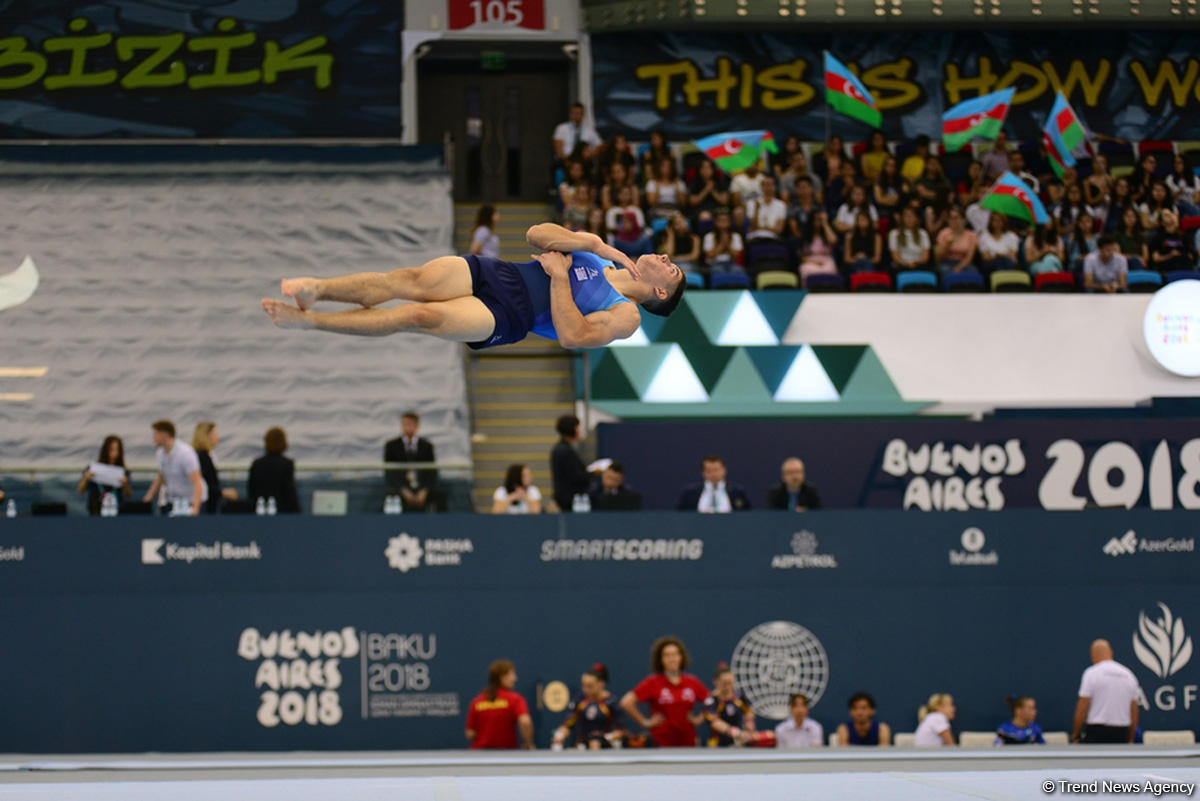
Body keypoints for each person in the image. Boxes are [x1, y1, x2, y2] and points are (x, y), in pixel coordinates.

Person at [263, 223, 685, 351]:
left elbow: (575, 336)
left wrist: (559, 278)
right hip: (501, 273)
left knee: (418, 315)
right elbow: (537, 234)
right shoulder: (598, 254)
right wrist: (590, 243)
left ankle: (312, 321)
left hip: (510, 316)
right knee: (410, 281)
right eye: (669, 258)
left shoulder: (626, 314)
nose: (666, 259)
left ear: (661, 294)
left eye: (673, 270)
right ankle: (318, 289)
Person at [620, 636, 709, 747]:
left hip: (688, 741)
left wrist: (698, 719)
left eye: (675, 654)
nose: (672, 659)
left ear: (681, 657)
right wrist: (645, 722)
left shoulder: (691, 681)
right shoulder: (653, 682)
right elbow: (626, 702)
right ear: (661, 659)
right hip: (660, 742)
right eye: (667, 655)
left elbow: (712, 702)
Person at [1072, 639, 1140, 744]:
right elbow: (1134, 711)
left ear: (1092, 655)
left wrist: (1076, 735)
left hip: (1097, 732)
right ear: (1111, 652)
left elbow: (1083, 707)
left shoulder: (1091, 674)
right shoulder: (1129, 675)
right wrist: (1130, 738)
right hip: (1122, 732)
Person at [466, 659, 534, 749]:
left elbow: (470, 733)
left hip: (478, 756)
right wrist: (528, 743)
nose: (515, 678)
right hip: (506, 756)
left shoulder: (477, 701)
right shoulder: (515, 699)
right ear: (502, 677)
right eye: (512, 674)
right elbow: (525, 722)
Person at [553, 664, 624, 750]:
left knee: (595, 742)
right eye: (583, 685)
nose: (585, 689)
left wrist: (607, 737)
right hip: (582, 745)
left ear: (601, 684)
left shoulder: (611, 702)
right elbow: (567, 724)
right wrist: (560, 735)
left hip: (605, 746)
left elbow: (621, 731)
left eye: (590, 686)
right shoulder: (579, 700)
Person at [142, 419, 205, 515]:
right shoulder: (160, 453)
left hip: (190, 502)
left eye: (155, 434)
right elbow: (161, 475)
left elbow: (197, 482)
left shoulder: (185, 453)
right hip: (173, 502)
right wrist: (149, 495)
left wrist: (195, 509)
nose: (153, 438)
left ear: (164, 435)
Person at [384, 411, 439, 512]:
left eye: (411, 424)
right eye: (405, 424)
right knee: (391, 495)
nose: (408, 427)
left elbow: (432, 472)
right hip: (400, 488)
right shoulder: (391, 446)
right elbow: (390, 472)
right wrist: (404, 490)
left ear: (417, 426)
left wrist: (424, 491)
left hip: (421, 488)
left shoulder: (426, 446)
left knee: (438, 494)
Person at [247, 426, 300, 513]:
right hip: (282, 511)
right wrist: (297, 511)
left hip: (260, 510)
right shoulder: (287, 464)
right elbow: (289, 491)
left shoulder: (257, 463)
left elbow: (251, 491)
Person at [77, 435, 132, 516]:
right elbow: (81, 489)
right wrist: (86, 478)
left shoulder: (123, 472)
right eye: (112, 450)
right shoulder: (94, 468)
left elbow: (128, 494)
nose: (115, 453)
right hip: (96, 511)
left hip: (116, 511)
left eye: (117, 450)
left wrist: (125, 484)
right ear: (105, 450)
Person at [676, 455, 750, 512]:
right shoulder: (690, 494)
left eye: (716, 470)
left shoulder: (737, 492)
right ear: (703, 473)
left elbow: (747, 515)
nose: (713, 474)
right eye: (709, 471)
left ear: (724, 470)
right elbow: (680, 515)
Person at [703, 664, 755, 747]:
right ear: (716, 682)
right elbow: (714, 722)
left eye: (730, 683)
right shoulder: (711, 701)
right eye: (724, 683)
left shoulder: (740, 697)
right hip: (717, 745)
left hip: (739, 743)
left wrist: (749, 726)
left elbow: (749, 713)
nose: (727, 687)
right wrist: (737, 733)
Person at [551, 414, 594, 512]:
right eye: (578, 427)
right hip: (571, 501)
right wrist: (593, 473)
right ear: (572, 429)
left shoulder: (562, 449)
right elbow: (575, 476)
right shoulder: (565, 451)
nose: (580, 430)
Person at [192, 421, 237, 514]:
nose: (218, 437)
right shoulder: (202, 457)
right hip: (204, 506)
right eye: (215, 433)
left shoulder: (207, 455)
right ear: (206, 436)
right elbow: (205, 484)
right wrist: (223, 493)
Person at [798, 210, 840, 288]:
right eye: (815, 220)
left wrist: (825, 223)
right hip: (810, 261)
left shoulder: (826, 235)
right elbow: (802, 257)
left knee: (830, 269)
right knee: (805, 269)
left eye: (819, 220)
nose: (817, 223)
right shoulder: (805, 237)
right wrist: (815, 262)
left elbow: (833, 240)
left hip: (826, 260)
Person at [934, 207, 978, 276]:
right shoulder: (944, 233)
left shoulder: (971, 235)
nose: (954, 221)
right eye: (951, 218)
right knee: (945, 272)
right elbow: (938, 257)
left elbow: (969, 257)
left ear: (963, 220)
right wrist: (947, 245)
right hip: (946, 263)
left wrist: (959, 268)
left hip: (964, 263)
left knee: (974, 274)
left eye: (957, 218)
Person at [745, 175, 787, 245]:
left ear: (775, 187)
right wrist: (757, 209)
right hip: (755, 237)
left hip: (774, 238)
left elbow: (779, 230)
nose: (768, 188)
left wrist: (761, 228)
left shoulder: (781, 205)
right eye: (766, 185)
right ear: (761, 187)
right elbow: (753, 226)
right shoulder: (752, 203)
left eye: (771, 185)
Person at [887, 205, 931, 271]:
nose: (909, 219)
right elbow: (895, 257)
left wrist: (915, 263)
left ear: (916, 218)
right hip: (901, 264)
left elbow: (925, 257)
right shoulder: (894, 234)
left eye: (912, 216)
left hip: (919, 264)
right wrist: (906, 263)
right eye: (907, 216)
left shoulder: (923, 233)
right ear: (902, 218)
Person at [687, 158, 730, 223]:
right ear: (699, 170)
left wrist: (713, 191)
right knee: (705, 216)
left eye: (708, 168)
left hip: (718, 209)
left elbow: (724, 201)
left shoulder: (720, 182)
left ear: (713, 170)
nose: (706, 171)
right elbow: (692, 202)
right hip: (700, 210)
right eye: (703, 168)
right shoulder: (695, 183)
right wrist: (706, 190)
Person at [703, 209, 745, 275]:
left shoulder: (736, 236)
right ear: (716, 222)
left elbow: (736, 256)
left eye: (725, 220)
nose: (723, 223)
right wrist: (722, 245)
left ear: (729, 222)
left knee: (738, 270)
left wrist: (727, 245)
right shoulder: (709, 236)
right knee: (718, 271)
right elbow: (709, 255)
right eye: (720, 221)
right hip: (715, 264)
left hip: (732, 263)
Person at [646, 157, 688, 222]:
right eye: (664, 166)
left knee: (681, 216)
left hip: (674, 209)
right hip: (658, 209)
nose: (666, 169)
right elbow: (652, 204)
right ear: (659, 167)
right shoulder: (652, 183)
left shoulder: (679, 183)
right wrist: (657, 188)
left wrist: (677, 189)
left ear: (672, 168)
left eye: (669, 166)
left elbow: (683, 204)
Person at [559, 160, 594, 229]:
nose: (583, 195)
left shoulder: (593, 208)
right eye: (581, 192)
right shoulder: (570, 209)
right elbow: (567, 226)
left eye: (585, 193)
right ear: (576, 194)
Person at [1114, 206, 1150, 271]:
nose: (1130, 219)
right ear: (1123, 218)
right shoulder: (1117, 236)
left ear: (1136, 219)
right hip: (1123, 263)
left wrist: (1139, 259)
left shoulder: (1141, 236)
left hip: (1140, 263)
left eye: (1133, 217)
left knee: (1136, 263)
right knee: (1134, 261)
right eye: (1128, 216)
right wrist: (1135, 257)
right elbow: (1118, 255)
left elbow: (1146, 256)